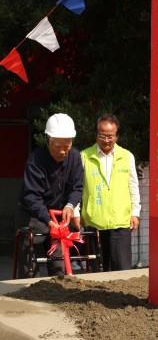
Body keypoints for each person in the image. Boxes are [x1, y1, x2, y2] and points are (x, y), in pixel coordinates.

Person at [15, 113, 84, 278]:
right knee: (29, 261)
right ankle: (27, 292)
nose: (62, 151)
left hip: (59, 214)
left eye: (66, 146)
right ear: (48, 140)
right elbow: (32, 197)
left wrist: (70, 206)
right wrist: (47, 220)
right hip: (33, 215)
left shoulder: (74, 157)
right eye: (57, 146)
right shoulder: (35, 160)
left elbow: (77, 187)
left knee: (59, 258)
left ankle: (59, 292)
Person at [79, 114, 141, 272]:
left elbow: (133, 186)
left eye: (110, 136)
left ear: (117, 136)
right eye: (102, 136)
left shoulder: (127, 156)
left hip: (120, 221)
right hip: (94, 221)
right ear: (96, 135)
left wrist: (135, 212)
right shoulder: (84, 156)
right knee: (97, 271)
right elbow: (77, 187)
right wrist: (76, 211)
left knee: (122, 269)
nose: (106, 140)